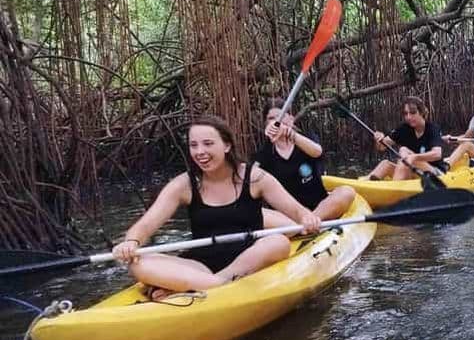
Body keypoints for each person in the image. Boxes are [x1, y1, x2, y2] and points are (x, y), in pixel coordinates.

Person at [112, 116, 321, 299]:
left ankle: (195, 286)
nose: (200, 152)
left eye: (208, 144)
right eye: (193, 145)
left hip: (250, 258)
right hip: (201, 265)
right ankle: (217, 285)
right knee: (138, 263)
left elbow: (296, 210)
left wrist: (307, 217)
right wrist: (132, 241)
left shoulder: (255, 178)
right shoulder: (184, 185)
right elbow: (146, 224)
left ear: (227, 145)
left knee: (278, 242)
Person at [254, 100, 355, 221]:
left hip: (319, 209)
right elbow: (251, 180)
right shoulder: (263, 153)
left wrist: (292, 135)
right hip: (287, 217)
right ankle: (299, 225)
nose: (278, 121)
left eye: (281, 116)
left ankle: (310, 221)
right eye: (271, 118)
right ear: (266, 124)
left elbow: (317, 152)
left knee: (346, 192)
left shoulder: (306, 139)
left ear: (291, 119)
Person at [367, 96, 446, 181]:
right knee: (385, 164)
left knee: (404, 151)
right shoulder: (404, 129)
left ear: (422, 112)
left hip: (435, 174)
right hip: (412, 171)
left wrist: (413, 157)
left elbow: (437, 154)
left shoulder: (432, 128)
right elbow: (381, 147)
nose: (408, 117)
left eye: (412, 113)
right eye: (406, 113)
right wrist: (379, 138)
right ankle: (363, 185)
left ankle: (394, 188)